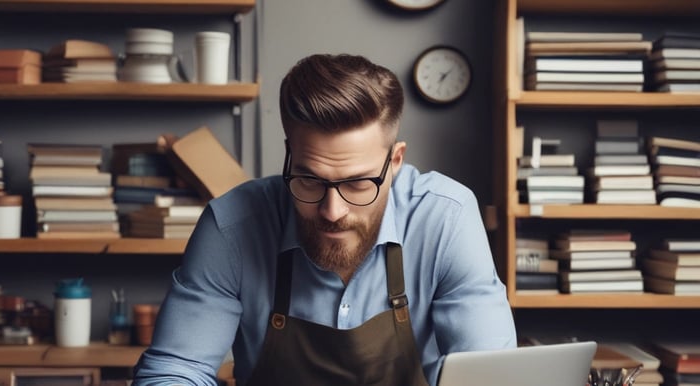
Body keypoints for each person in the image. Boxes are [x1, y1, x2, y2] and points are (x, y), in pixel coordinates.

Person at [133, 53, 516, 386]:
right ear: (290, 154)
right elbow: (176, 367)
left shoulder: (445, 218)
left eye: (358, 183)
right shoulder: (232, 226)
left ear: (395, 161)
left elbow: (491, 375)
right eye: (310, 180)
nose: (333, 211)